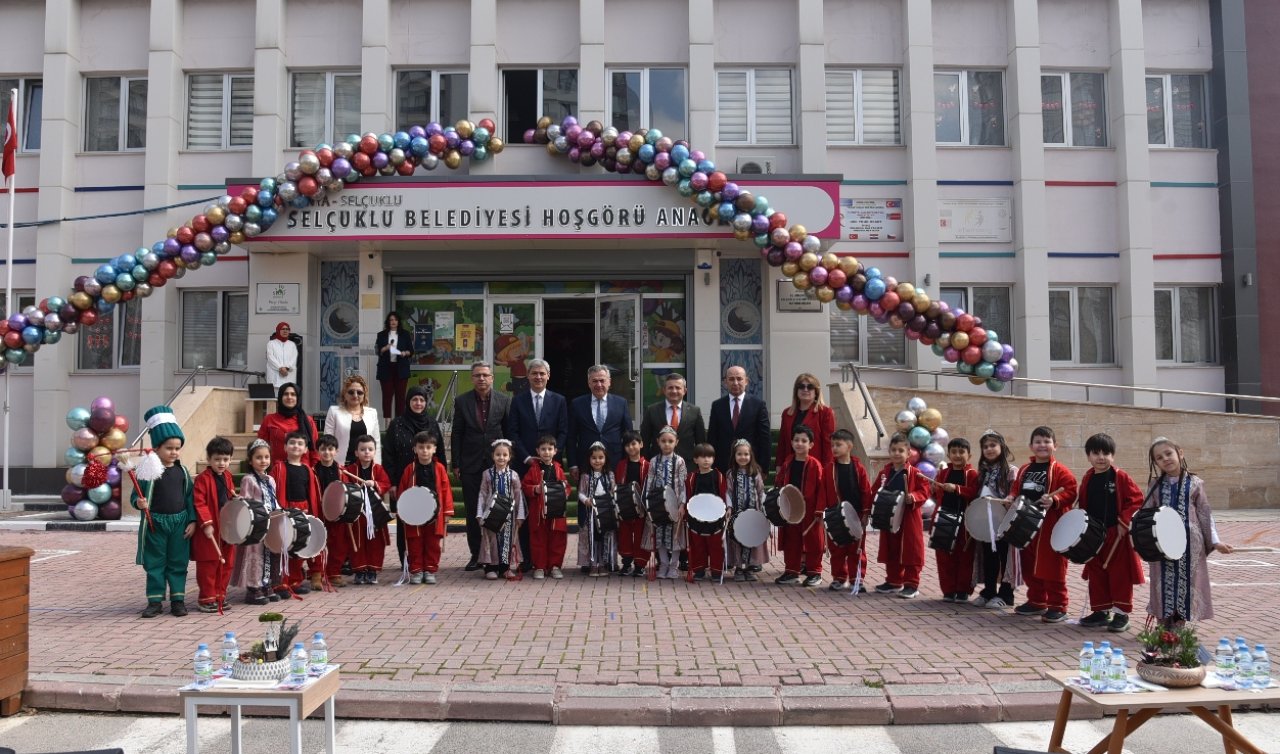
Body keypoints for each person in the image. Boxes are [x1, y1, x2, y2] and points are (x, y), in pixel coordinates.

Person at [1142, 436, 1232, 628]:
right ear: (1155, 463)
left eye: (1168, 453)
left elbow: (1205, 514)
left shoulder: (1195, 483)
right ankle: (1163, 626)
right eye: (1159, 457)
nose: (1165, 459)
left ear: (1180, 453)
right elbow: (1146, 513)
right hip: (1161, 545)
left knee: (1186, 584)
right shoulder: (1154, 486)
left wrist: (1216, 541)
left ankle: (1178, 626)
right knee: (1162, 583)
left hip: (1189, 546)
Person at [1075, 433, 1145, 633]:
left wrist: (1124, 521)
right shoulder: (1087, 477)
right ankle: (1101, 611)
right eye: (1096, 453)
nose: (1101, 457)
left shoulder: (1120, 476)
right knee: (1097, 573)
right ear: (1088, 456)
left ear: (1112, 455)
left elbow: (1136, 499)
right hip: (1094, 535)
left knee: (1119, 574)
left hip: (1117, 534)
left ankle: (1121, 614)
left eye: (1106, 453)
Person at [132, 406, 195, 618]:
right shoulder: (147, 471)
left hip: (179, 524)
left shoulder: (183, 471)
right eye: (169, 448)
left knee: (178, 562)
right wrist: (138, 502)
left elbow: (190, 498)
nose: (174, 452)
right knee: (155, 563)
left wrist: (192, 521)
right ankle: (155, 601)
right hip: (155, 524)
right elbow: (136, 495)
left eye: (177, 448)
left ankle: (178, 600)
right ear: (157, 448)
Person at [1012, 426, 1079, 624]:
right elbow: (1016, 489)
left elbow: (1071, 491)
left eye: (1047, 441)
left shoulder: (1060, 470)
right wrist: (1011, 497)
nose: (1042, 445)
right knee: (1029, 565)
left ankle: (1058, 606)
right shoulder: (1024, 469)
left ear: (1055, 445)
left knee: (1053, 567)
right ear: (1031, 446)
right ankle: (1037, 600)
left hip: (1051, 526)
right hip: (1026, 524)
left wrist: (1055, 500)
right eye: (1038, 442)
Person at [452, 362, 514, 571]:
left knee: (498, 508)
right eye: (477, 375)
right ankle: (476, 555)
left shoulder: (504, 400)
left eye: (485, 375)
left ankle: (498, 555)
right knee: (473, 510)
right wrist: (456, 463)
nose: (481, 379)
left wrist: (508, 462)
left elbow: (508, 433)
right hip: (470, 464)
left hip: (497, 465)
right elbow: (457, 433)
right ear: (472, 378)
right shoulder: (462, 401)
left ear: (492, 378)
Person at [508, 358, 568, 572]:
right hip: (526, 465)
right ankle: (529, 559)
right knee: (527, 514)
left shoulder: (559, 400)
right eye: (534, 373)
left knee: (551, 516)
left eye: (542, 373)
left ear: (548, 376)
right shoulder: (518, 401)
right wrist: (527, 457)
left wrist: (552, 456)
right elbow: (513, 432)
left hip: (551, 466)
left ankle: (551, 562)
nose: (538, 377)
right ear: (528, 376)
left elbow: (563, 431)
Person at [384, 385, 447, 571]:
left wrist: (441, 473)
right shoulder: (397, 424)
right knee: (406, 521)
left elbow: (440, 452)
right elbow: (388, 454)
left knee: (429, 524)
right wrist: (392, 483)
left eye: (421, 400)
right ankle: (407, 561)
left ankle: (427, 563)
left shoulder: (432, 424)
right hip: (405, 481)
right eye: (414, 400)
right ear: (408, 402)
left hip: (429, 480)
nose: (418, 403)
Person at [872, 432, 931, 598]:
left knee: (911, 551)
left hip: (909, 518)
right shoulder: (885, 472)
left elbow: (924, 491)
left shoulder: (915, 473)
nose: (896, 453)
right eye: (893, 450)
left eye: (900, 450)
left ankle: (912, 584)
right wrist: (870, 508)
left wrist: (913, 497)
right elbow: (874, 491)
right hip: (889, 517)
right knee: (892, 549)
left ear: (908, 453)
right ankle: (893, 581)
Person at [396, 431, 454, 585]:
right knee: (414, 543)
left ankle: (429, 570)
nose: (425, 451)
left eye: (428, 447)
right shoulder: (409, 469)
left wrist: (447, 511)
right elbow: (402, 490)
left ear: (434, 449)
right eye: (421, 447)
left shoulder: (440, 468)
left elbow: (445, 490)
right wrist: (402, 509)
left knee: (432, 544)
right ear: (415, 449)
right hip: (414, 513)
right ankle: (416, 571)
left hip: (435, 515)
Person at [774, 425, 829, 587]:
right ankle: (792, 571)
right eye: (796, 440)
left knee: (814, 542)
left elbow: (822, 490)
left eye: (804, 441)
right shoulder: (788, 462)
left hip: (810, 509)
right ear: (791, 442)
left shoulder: (815, 465)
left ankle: (814, 573)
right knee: (792, 540)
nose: (799, 443)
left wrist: (819, 509)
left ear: (811, 445)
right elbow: (780, 482)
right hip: (791, 508)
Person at [972, 430, 1020, 609]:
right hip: (987, 523)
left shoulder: (1011, 471)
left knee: (1005, 558)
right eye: (985, 447)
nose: (989, 449)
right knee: (989, 557)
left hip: (1005, 523)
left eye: (993, 445)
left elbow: (1016, 493)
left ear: (1002, 447)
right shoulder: (983, 472)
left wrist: (1009, 500)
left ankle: (1006, 595)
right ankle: (989, 591)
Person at [271, 431, 323, 596]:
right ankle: (281, 583)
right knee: (284, 546)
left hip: (303, 510)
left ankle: (295, 581)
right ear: (285, 447)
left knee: (299, 545)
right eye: (292, 443)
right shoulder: (278, 468)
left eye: (300, 444)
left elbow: (312, 493)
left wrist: (312, 514)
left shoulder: (308, 470)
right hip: (285, 510)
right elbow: (272, 491)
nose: (296, 446)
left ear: (306, 449)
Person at [231, 439, 281, 605]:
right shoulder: (248, 479)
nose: (263, 461)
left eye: (266, 457)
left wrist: (280, 512)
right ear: (250, 460)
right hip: (256, 526)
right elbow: (246, 501)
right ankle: (254, 588)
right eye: (258, 457)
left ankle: (267, 584)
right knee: (255, 555)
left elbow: (273, 500)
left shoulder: (271, 479)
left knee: (270, 554)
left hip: (270, 524)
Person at [192, 436, 236, 613]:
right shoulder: (202, 479)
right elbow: (199, 502)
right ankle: (207, 598)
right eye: (217, 459)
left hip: (225, 526)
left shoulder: (228, 476)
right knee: (208, 564)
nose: (221, 463)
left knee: (227, 563)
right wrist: (206, 523)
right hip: (210, 528)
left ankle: (220, 596)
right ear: (209, 459)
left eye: (225, 459)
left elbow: (229, 496)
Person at [932, 438, 979, 603]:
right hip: (945, 518)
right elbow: (938, 495)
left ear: (969, 455)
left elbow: (974, 492)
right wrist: (935, 489)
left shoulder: (973, 474)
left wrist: (957, 489)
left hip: (965, 523)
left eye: (961, 452)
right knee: (944, 557)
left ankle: (962, 590)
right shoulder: (943, 473)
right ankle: (948, 590)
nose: (957, 455)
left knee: (965, 557)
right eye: (953, 452)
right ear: (948, 455)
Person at [825, 429, 872, 592]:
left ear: (850, 446)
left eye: (838, 445)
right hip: (836, 515)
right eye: (832, 445)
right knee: (837, 549)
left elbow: (866, 491)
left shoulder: (859, 468)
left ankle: (856, 579)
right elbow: (823, 491)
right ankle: (839, 578)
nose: (834, 448)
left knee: (856, 549)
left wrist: (866, 512)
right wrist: (823, 513)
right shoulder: (829, 468)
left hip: (856, 515)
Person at [567, 365, 633, 476]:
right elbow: (571, 437)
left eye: (602, 380)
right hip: (586, 462)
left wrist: (627, 460)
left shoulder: (621, 403)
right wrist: (573, 464)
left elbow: (628, 435)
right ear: (589, 383)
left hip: (615, 461)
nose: (599, 385)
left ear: (609, 382)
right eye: (594, 381)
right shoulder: (577, 404)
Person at [345, 434, 392, 585]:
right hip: (358, 513)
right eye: (363, 449)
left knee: (375, 542)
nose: (366, 452)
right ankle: (359, 571)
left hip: (375, 512)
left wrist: (375, 484)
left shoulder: (378, 469)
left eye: (370, 449)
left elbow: (386, 484)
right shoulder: (350, 470)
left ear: (374, 452)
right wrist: (354, 488)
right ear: (356, 452)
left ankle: (372, 571)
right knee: (358, 542)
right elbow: (344, 486)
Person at [708, 365, 771, 475]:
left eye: (739, 379)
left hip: (750, 466)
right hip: (723, 467)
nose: (735, 383)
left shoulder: (758, 405)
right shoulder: (717, 406)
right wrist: (711, 467)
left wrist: (763, 468)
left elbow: (765, 439)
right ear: (725, 382)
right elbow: (712, 438)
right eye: (731, 379)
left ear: (746, 381)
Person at [642, 426, 687, 580]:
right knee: (659, 535)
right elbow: (649, 482)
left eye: (670, 441)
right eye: (663, 441)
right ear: (658, 442)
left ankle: (674, 566)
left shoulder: (680, 461)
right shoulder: (654, 461)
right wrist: (648, 503)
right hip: (657, 506)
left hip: (675, 505)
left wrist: (682, 504)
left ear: (676, 442)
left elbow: (683, 484)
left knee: (675, 536)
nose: (667, 444)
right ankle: (664, 564)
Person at [524, 435, 570, 580]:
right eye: (543, 449)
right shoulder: (533, 469)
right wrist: (535, 489)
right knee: (538, 539)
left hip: (556, 511)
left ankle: (555, 566)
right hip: (539, 513)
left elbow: (566, 486)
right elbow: (525, 486)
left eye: (550, 449)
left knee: (557, 539)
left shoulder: (559, 469)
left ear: (555, 451)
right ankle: (539, 566)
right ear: (538, 451)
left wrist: (565, 492)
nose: (546, 452)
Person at [479, 439, 525, 580]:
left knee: (507, 540)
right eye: (498, 454)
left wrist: (520, 515)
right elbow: (482, 494)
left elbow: (518, 496)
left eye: (505, 455)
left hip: (508, 515)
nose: (501, 458)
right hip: (490, 513)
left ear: (509, 457)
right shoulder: (487, 474)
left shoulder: (513, 475)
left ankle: (505, 568)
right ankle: (490, 568)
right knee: (491, 539)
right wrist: (480, 514)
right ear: (493, 456)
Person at [640, 372, 706, 464]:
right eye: (670, 388)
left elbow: (701, 442)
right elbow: (645, 440)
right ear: (664, 390)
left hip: (687, 465)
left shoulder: (694, 411)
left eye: (678, 388)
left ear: (684, 391)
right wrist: (644, 464)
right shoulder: (652, 410)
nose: (674, 391)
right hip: (658, 465)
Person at [725, 439, 767, 582]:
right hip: (737, 514)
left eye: (746, 454)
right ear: (734, 456)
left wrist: (762, 509)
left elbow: (760, 491)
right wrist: (729, 507)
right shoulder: (731, 474)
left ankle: (749, 568)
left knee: (750, 539)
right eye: (739, 454)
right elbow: (728, 492)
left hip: (753, 514)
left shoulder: (755, 473)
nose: (743, 457)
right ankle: (739, 568)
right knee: (738, 540)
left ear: (751, 455)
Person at [776, 373, 836, 472]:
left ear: (816, 391)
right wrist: (779, 465)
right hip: (791, 466)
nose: (805, 390)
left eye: (810, 387)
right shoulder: (787, 413)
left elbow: (828, 444)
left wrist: (827, 469)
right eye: (801, 386)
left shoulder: (825, 412)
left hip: (814, 468)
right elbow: (782, 442)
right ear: (796, 390)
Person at [684, 443, 726, 581]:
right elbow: (687, 496)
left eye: (709, 456)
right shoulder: (691, 477)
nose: (706, 460)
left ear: (713, 459)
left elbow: (723, 495)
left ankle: (716, 571)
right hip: (696, 518)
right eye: (702, 457)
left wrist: (725, 510)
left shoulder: (718, 476)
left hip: (715, 518)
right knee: (698, 545)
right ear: (695, 460)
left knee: (715, 546)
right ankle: (699, 570)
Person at [313, 434, 349, 587]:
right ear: (317, 451)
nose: (326, 452)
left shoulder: (342, 472)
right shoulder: (312, 471)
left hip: (336, 513)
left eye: (330, 449)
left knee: (338, 544)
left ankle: (334, 573)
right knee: (317, 542)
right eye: (323, 449)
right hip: (319, 512)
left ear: (336, 451)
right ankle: (316, 574)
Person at [576, 442, 617, 577]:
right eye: (594, 458)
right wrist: (586, 500)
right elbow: (580, 493)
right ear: (589, 459)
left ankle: (603, 563)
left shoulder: (610, 475)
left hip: (605, 512)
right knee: (593, 538)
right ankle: (593, 564)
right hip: (591, 513)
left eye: (600, 457)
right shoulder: (586, 476)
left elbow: (613, 491)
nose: (597, 461)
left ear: (605, 458)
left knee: (603, 537)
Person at [614, 430, 650, 577]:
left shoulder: (648, 465)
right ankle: (627, 563)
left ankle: (640, 565)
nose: (631, 447)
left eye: (634, 444)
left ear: (641, 444)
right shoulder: (621, 465)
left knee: (641, 536)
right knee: (625, 536)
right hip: (624, 507)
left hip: (641, 508)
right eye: (627, 445)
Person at [258, 382, 318, 467]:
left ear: (298, 398)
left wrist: (314, 468)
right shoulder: (269, 419)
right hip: (277, 468)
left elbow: (314, 448)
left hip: (303, 469)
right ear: (280, 397)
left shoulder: (308, 420)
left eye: (293, 394)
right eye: (286, 394)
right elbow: (261, 446)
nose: (289, 397)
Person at [325, 375, 380, 466]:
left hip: (365, 465)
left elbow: (376, 443)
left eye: (359, 392)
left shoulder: (372, 413)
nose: (355, 395)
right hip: (341, 465)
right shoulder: (334, 412)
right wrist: (329, 466)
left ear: (364, 395)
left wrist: (376, 467)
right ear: (344, 394)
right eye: (351, 392)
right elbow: (328, 441)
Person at [375, 312, 414, 423]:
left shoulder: (405, 334)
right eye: (391, 320)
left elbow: (411, 351)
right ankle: (387, 423)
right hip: (386, 368)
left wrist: (405, 353)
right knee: (387, 396)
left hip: (401, 368)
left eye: (395, 320)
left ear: (398, 322)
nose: (393, 322)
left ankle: (399, 422)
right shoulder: (381, 335)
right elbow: (377, 351)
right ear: (388, 322)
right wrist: (386, 348)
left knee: (400, 397)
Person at [266, 322, 298, 390]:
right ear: (278, 330)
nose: (285, 331)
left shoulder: (292, 344)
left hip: (288, 377)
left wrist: (286, 368)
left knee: (287, 394)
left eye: (287, 329)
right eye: (283, 329)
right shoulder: (271, 343)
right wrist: (280, 368)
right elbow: (270, 358)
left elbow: (293, 359)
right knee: (275, 395)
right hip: (275, 377)